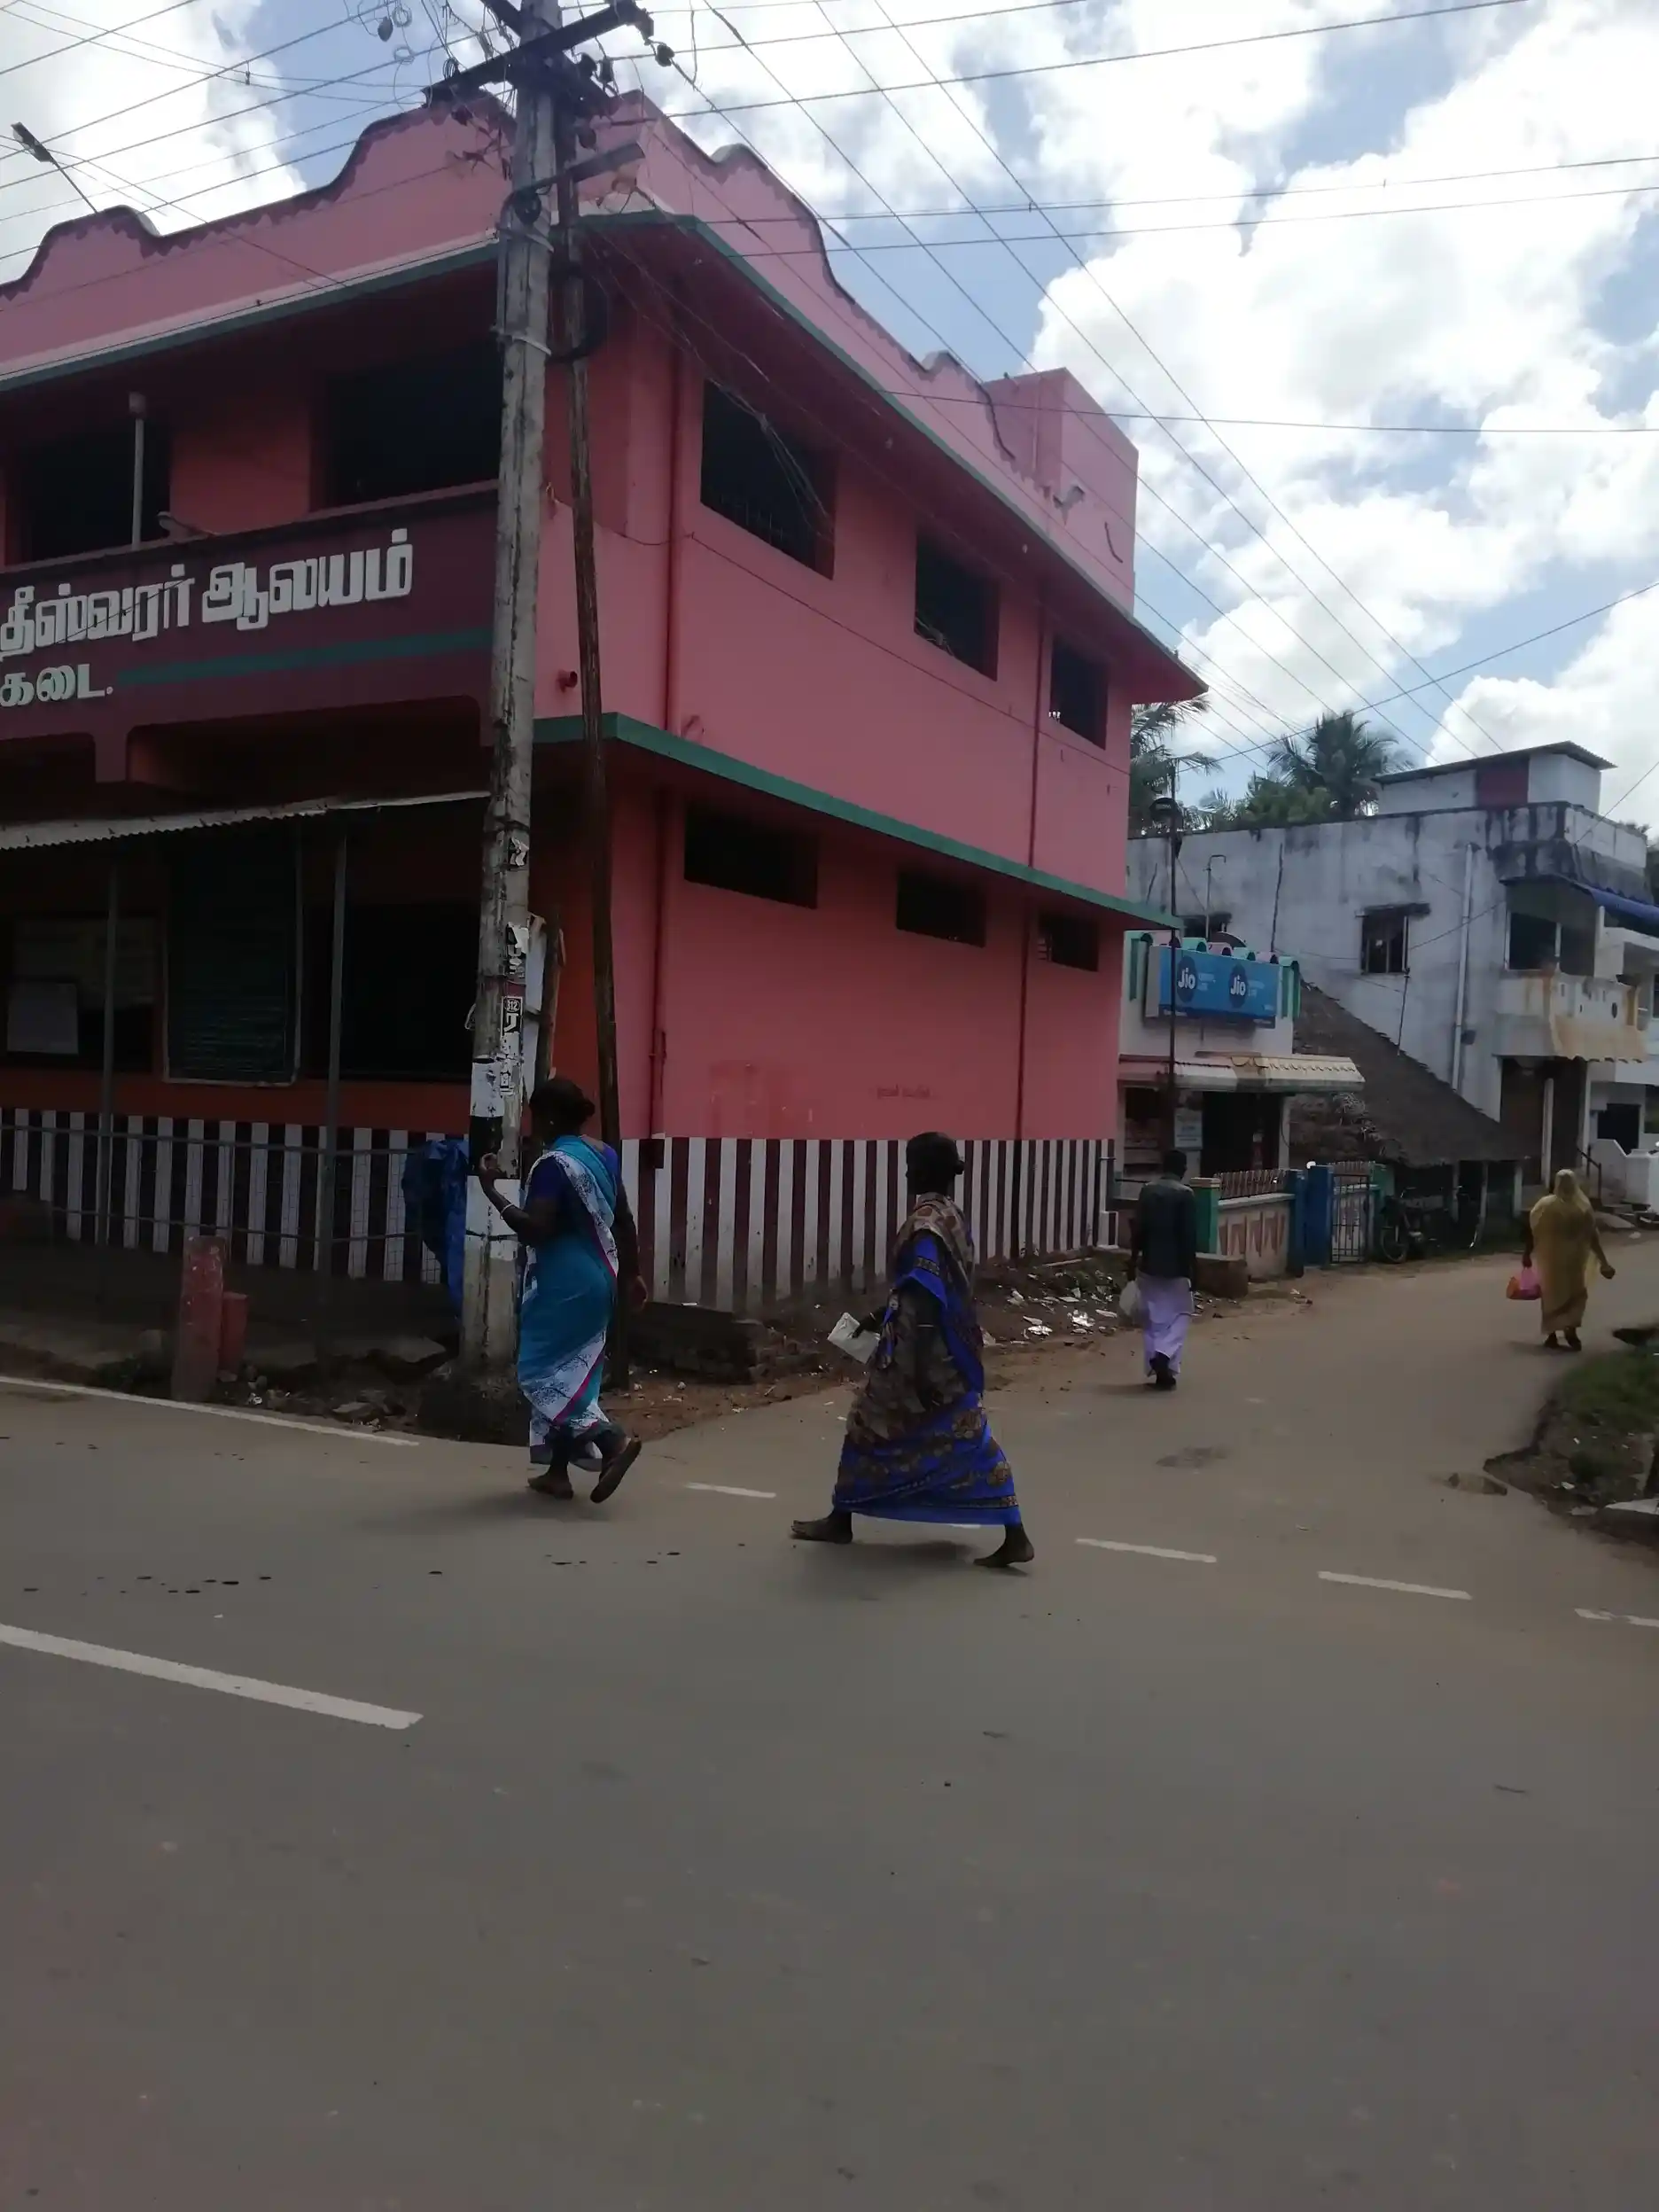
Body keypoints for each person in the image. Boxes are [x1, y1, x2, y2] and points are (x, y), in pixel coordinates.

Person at [791, 1131, 1033, 1569]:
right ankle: (1012, 1530)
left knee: (870, 1425)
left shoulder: (924, 1224)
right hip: (950, 1345)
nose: (906, 1171)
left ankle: (841, 1520)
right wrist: (880, 1313)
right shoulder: (951, 1217)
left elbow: (924, 1295)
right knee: (962, 1433)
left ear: (923, 1169)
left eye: (910, 1164)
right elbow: (925, 1286)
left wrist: (913, 1363)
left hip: (920, 1350)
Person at [478, 1076, 648, 1500]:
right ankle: (557, 1472)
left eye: (537, 1116)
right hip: (601, 1275)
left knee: (538, 1373)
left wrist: (491, 1192)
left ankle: (611, 1441)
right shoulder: (602, 1154)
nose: (535, 1126)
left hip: (565, 1282)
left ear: (551, 1117)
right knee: (572, 1372)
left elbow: (536, 1228)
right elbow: (623, 1220)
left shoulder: (554, 1164)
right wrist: (632, 1274)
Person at [1129, 1148, 1199, 1390]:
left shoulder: (1147, 1191)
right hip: (1177, 1267)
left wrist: (1132, 1260)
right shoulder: (1186, 1195)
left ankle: (1162, 1371)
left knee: (1153, 1319)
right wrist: (1193, 1268)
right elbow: (1188, 1237)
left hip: (1149, 1264)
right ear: (1182, 1169)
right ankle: (1164, 1355)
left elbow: (1138, 1230)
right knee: (1181, 1314)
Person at [1523, 1167, 1615, 1352]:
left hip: (1551, 1261)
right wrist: (1604, 1261)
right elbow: (1592, 1237)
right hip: (1575, 1261)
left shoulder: (1545, 1206)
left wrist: (1527, 1254)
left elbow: (1534, 1232)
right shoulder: (1582, 1207)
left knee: (1551, 1296)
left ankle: (1552, 1335)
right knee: (1575, 1295)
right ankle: (1570, 1330)